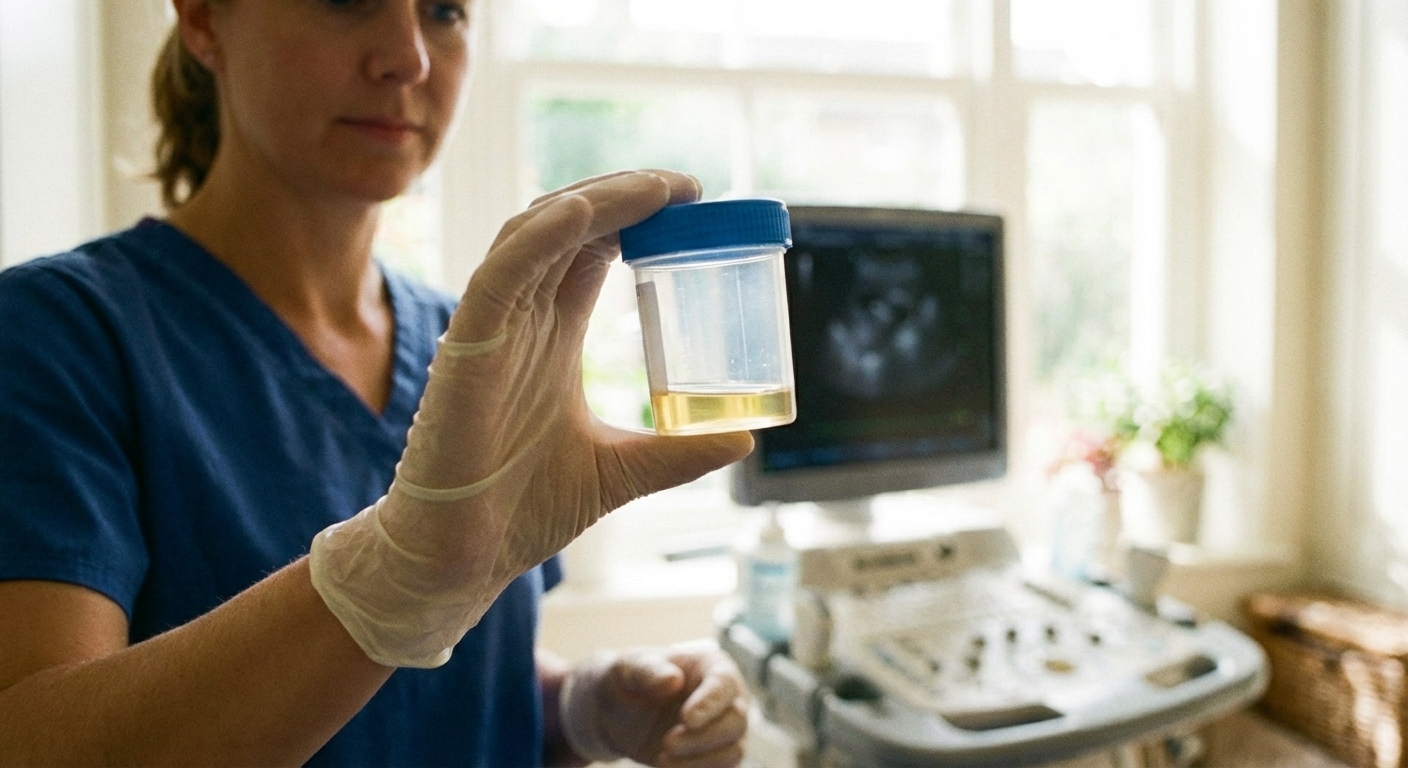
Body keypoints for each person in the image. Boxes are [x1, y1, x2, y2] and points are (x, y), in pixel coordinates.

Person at [0, 0, 755, 765]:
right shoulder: (59, 336)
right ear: (201, 20)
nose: (410, 58)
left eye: (444, 12)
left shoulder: (466, 345)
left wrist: (583, 708)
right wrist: (388, 582)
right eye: (347, 1)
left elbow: (446, 687)